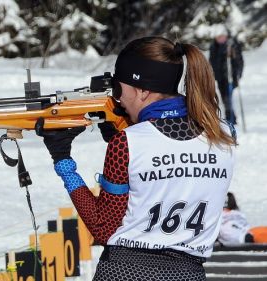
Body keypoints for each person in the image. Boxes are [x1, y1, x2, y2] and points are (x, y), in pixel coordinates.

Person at [36, 36, 236, 280]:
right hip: (189, 273)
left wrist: (62, 159)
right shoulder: (223, 134)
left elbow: (103, 228)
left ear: (142, 90)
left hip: (127, 272)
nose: (117, 99)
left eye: (119, 90)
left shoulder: (128, 144)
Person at [209, 25, 244, 125]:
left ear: (226, 36)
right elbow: (212, 62)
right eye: (218, 37)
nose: (220, 39)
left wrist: (237, 74)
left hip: (230, 77)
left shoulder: (232, 45)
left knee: (228, 98)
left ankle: (231, 119)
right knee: (224, 98)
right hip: (220, 77)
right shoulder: (213, 47)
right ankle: (231, 117)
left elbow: (239, 61)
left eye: (222, 36)